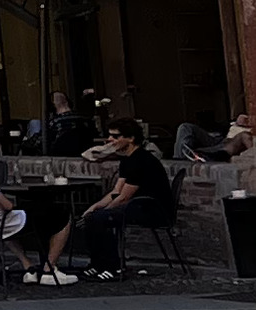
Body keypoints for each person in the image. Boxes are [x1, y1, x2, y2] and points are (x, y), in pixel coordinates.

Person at [34, 121, 178, 282]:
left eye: (115, 136)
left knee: (101, 219)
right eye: (109, 135)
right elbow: (116, 191)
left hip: (152, 209)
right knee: (92, 217)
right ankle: (98, 262)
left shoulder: (141, 160)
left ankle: (113, 266)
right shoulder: (127, 160)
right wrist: (94, 207)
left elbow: (124, 196)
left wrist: (104, 210)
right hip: (139, 206)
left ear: (130, 138)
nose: (110, 139)